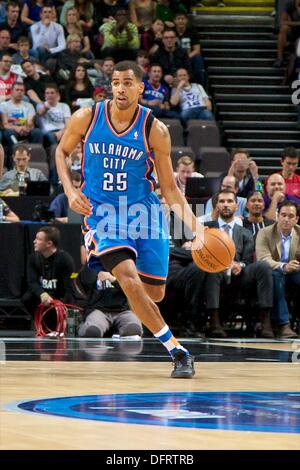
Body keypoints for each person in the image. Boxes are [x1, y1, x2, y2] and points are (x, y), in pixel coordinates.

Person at [55, 60, 206, 378]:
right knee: (128, 279)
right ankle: (178, 351)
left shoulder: (155, 129)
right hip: (103, 214)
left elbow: (170, 190)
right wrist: (70, 191)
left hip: (145, 212)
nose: (120, 88)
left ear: (141, 87)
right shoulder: (87, 117)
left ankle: (129, 276)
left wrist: (199, 229)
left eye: (127, 83)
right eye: (115, 82)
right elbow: (61, 152)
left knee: (154, 294)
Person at [204, 190, 274, 338]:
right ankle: (215, 324)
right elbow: (202, 255)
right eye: (222, 201)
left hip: (240, 274)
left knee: (263, 266)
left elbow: (248, 260)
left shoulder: (245, 232)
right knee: (213, 271)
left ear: (237, 206)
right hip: (216, 273)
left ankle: (266, 323)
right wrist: (220, 264)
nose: (225, 205)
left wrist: (239, 265)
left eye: (230, 201)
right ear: (216, 206)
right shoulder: (206, 228)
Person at [256, 201, 299, 338]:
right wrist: (283, 266)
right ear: (277, 216)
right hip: (274, 272)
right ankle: (284, 325)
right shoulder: (264, 232)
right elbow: (263, 258)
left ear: (296, 219)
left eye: (291, 216)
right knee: (275, 276)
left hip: (296, 271)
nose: (286, 219)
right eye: (283, 215)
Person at [77, 265, 143, 338]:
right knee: (92, 331)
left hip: (123, 310)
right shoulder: (90, 266)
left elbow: (134, 287)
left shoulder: (124, 264)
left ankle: (118, 330)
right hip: (99, 311)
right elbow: (82, 289)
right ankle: (83, 326)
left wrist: (114, 280)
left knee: (133, 329)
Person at [22, 226, 75, 317]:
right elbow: (32, 282)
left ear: (49, 243)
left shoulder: (65, 260)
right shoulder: (33, 258)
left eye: (38, 239)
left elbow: (69, 288)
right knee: (27, 298)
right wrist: (42, 294)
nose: (34, 241)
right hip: (43, 295)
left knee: (69, 299)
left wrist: (59, 303)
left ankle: (60, 321)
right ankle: (39, 321)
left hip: (59, 296)